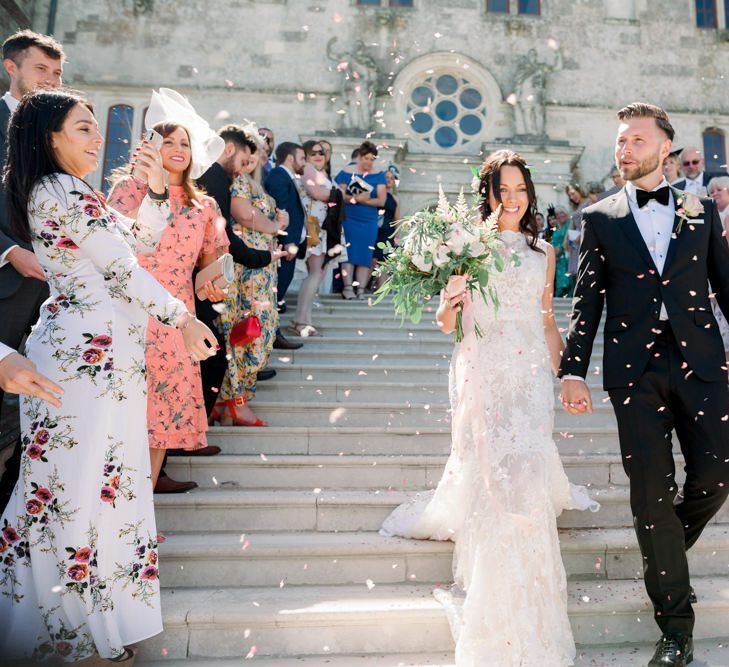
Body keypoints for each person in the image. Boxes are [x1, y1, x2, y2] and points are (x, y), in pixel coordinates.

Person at [0, 89, 216, 662]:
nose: (99, 140)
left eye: (98, 128)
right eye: (84, 129)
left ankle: (82, 617)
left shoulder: (66, 191)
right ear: (48, 138)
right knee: (74, 491)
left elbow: (137, 241)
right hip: (85, 360)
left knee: (91, 487)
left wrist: (149, 192)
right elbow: (124, 271)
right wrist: (183, 318)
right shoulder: (63, 189)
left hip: (101, 354)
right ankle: (63, 624)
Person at [381, 149, 597, 666]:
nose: (515, 199)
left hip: (526, 376)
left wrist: (566, 375)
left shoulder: (544, 253)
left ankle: (527, 576)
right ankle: (490, 580)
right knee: (490, 473)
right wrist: (448, 305)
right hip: (483, 370)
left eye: (522, 189)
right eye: (505, 189)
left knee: (523, 466)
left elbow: (546, 320)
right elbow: (447, 325)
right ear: (489, 193)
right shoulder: (468, 249)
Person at [560, 103, 729, 667]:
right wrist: (571, 370)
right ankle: (675, 629)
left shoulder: (700, 209)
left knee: (718, 473)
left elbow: (724, 284)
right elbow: (587, 304)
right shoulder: (600, 218)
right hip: (634, 373)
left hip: (703, 363)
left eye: (635, 140)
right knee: (650, 492)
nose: (623, 150)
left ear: (665, 148)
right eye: (619, 141)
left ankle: (663, 550)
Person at [108, 119, 230, 487]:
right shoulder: (128, 189)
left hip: (177, 317)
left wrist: (216, 285)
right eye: (169, 142)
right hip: (128, 309)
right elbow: (111, 247)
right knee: (124, 404)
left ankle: (144, 500)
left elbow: (212, 263)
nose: (178, 149)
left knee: (162, 407)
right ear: (151, 147)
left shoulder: (204, 205)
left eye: (185, 144)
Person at [0, 30, 64, 515]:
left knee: (25, 424)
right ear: (11, 67)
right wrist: (9, 252)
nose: (50, 80)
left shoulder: (50, 136)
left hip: (41, 300)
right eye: (41, 70)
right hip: (5, 285)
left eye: (57, 73)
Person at [195, 124, 289, 418]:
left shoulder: (242, 180)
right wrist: (274, 228)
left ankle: (230, 401)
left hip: (257, 268)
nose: (248, 166)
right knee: (241, 334)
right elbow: (236, 217)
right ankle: (232, 401)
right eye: (246, 159)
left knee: (252, 333)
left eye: (254, 160)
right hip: (243, 269)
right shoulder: (224, 180)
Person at [288, 140, 337, 337]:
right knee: (316, 272)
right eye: (314, 152)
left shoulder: (319, 172)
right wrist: (338, 194)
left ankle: (305, 319)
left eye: (323, 152)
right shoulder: (308, 169)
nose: (319, 155)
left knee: (317, 273)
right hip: (314, 224)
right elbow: (316, 193)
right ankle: (300, 320)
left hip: (319, 224)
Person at [335, 140, 387, 299]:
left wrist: (362, 200)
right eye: (366, 158)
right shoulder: (346, 172)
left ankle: (361, 289)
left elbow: (381, 201)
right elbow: (339, 195)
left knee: (365, 254)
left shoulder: (379, 175)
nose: (369, 162)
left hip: (369, 220)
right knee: (348, 253)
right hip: (349, 218)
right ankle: (348, 287)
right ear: (359, 157)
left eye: (372, 159)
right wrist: (354, 199)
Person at [264, 141, 308, 316]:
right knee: (278, 288)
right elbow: (280, 210)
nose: (305, 162)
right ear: (290, 158)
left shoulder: (286, 176)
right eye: (302, 158)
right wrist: (288, 240)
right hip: (285, 245)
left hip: (291, 243)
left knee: (282, 286)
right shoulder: (278, 176)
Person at [373, 165, 400, 289]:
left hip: (388, 231)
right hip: (374, 230)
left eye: (392, 178)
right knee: (372, 260)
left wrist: (396, 238)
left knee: (383, 262)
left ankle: (381, 289)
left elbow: (396, 220)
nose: (389, 180)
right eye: (386, 177)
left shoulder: (395, 199)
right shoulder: (375, 194)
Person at [550, 205, 571, 297]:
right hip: (558, 261)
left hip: (568, 259)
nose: (559, 215)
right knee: (560, 287)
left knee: (569, 284)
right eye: (557, 214)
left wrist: (561, 248)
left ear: (566, 213)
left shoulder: (570, 225)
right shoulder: (556, 229)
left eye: (561, 212)